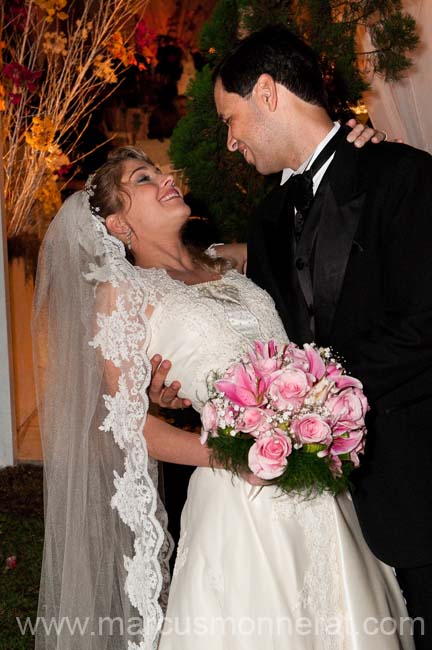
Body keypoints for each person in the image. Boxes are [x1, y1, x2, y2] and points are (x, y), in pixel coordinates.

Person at [33, 146, 415, 649]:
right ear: (119, 224)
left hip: (320, 477)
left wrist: (362, 145)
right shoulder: (122, 295)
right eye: (144, 179)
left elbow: (332, 236)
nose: (167, 179)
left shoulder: (231, 263)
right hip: (240, 497)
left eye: (161, 171)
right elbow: (132, 427)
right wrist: (236, 458)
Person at [207, 24, 432, 649]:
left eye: (232, 119)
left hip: (415, 479)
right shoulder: (268, 214)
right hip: (325, 497)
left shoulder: (402, 176)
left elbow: (424, 324)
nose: (230, 143)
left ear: (270, 94)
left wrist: (321, 385)